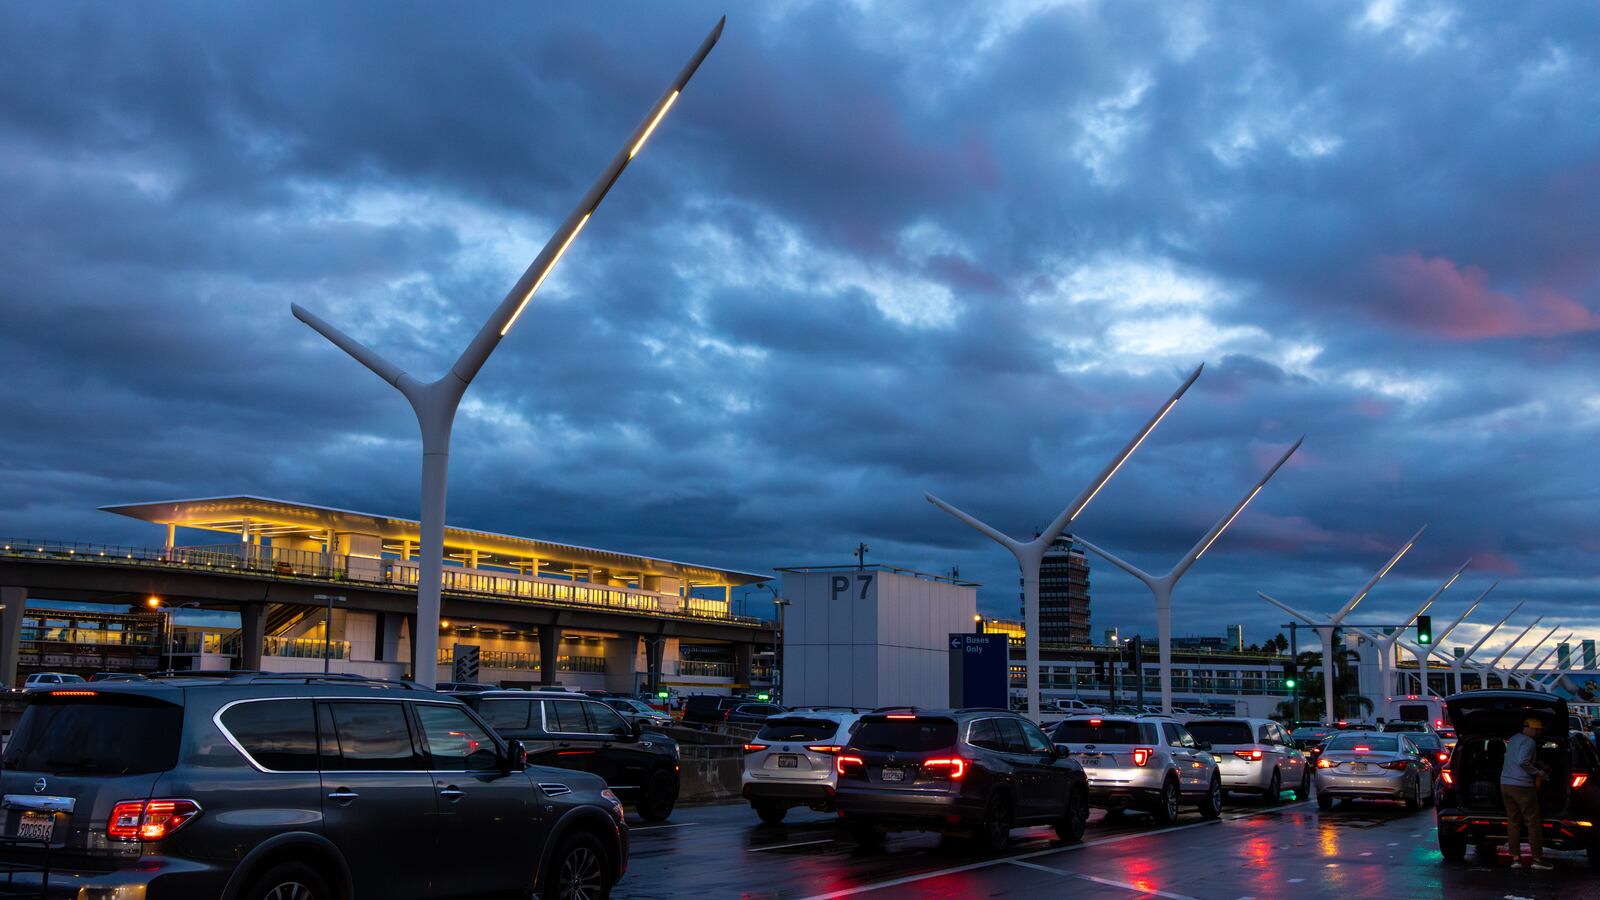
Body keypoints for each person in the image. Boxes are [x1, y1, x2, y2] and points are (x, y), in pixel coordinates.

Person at [1501, 716, 1553, 870]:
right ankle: (1537, 859)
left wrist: (1536, 763)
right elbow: (1523, 761)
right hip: (1522, 786)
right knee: (1532, 822)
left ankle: (1515, 859)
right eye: (1537, 730)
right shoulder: (1529, 742)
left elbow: (1515, 758)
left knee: (1513, 821)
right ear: (1531, 728)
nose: (1538, 733)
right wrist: (1539, 773)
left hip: (1505, 784)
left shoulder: (1514, 739)